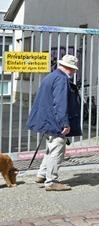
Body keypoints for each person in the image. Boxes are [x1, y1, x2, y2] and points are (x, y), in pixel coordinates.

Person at [27, 55, 82, 191]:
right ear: (69, 67)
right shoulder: (61, 79)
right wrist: (65, 123)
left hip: (46, 119)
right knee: (57, 149)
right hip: (54, 121)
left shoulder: (51, 76)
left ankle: (42, 174)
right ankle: (51, 181)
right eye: (73, 69)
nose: (74, 72)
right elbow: (60, 103)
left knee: (51, 148)